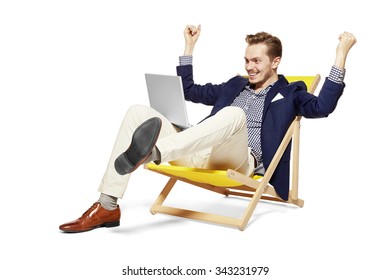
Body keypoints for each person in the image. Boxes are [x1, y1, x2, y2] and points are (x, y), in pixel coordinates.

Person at [59, 25, 356, 233]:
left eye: (256, 61)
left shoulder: (291, 92)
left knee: (233, 114)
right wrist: (189, 46)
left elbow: (322, 108)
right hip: (198, 150)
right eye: (246, 60)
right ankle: (107, 205)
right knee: (137, 111)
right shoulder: (234, 84)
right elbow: (190, 90)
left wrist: (341, 54)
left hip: (242, 158)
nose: (249, 66)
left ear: (275, 61)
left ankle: (153, 151)